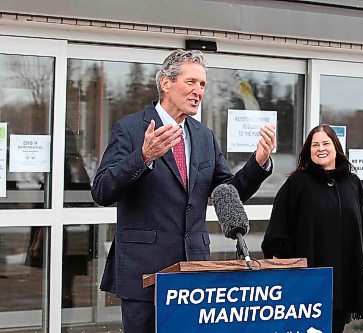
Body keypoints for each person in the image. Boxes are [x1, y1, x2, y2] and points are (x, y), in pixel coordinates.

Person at [91, 49, 276, 332]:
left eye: (202, 84)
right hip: (145, 271)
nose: (198, 91)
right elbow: (102, 191)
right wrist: (143, 157)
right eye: (191, 82)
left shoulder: (204, 136)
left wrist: (258, 163)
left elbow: (227, 193)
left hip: (193, 270)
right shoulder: (130, 129)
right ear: (166, 83)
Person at [261, 124, 363, 333]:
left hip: (342, 280)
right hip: (308, 281)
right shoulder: (298, 183)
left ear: (336, 147)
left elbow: (362, 225)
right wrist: (285, 259)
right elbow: (279, 226)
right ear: (309, 151)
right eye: (315, 145)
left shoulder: (352, 183)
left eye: (326, 143)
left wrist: (362, 259)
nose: (320, 148)